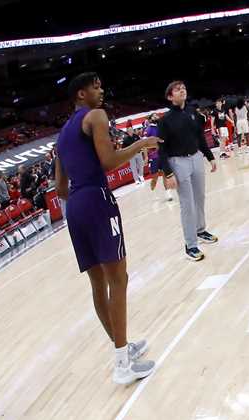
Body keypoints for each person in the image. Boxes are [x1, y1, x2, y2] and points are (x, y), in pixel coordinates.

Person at [55, 72, 159, 384]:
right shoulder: (96, 116)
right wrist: (141, 144)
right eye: (95, 86)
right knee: (119, 278)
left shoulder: (61, 135)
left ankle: (122, 349)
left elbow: (60, 188)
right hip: (97, 199)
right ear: (80, 94)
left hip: (75, 206)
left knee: (98, 284)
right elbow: (110, 161)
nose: (101, 90)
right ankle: (122, 365)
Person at [159, 81, 219, 262]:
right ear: (170, 97)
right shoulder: (165, 120)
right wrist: (168, 173)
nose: (182, 90)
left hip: (196, 158)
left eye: (184, 88)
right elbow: (161, 149)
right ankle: (191, 245)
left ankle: (201, 230)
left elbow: (200, 137)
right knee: (187, 204)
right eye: (177, 89)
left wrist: (209, 156)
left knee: (200, 197)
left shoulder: (193, 112)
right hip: (178, 162)